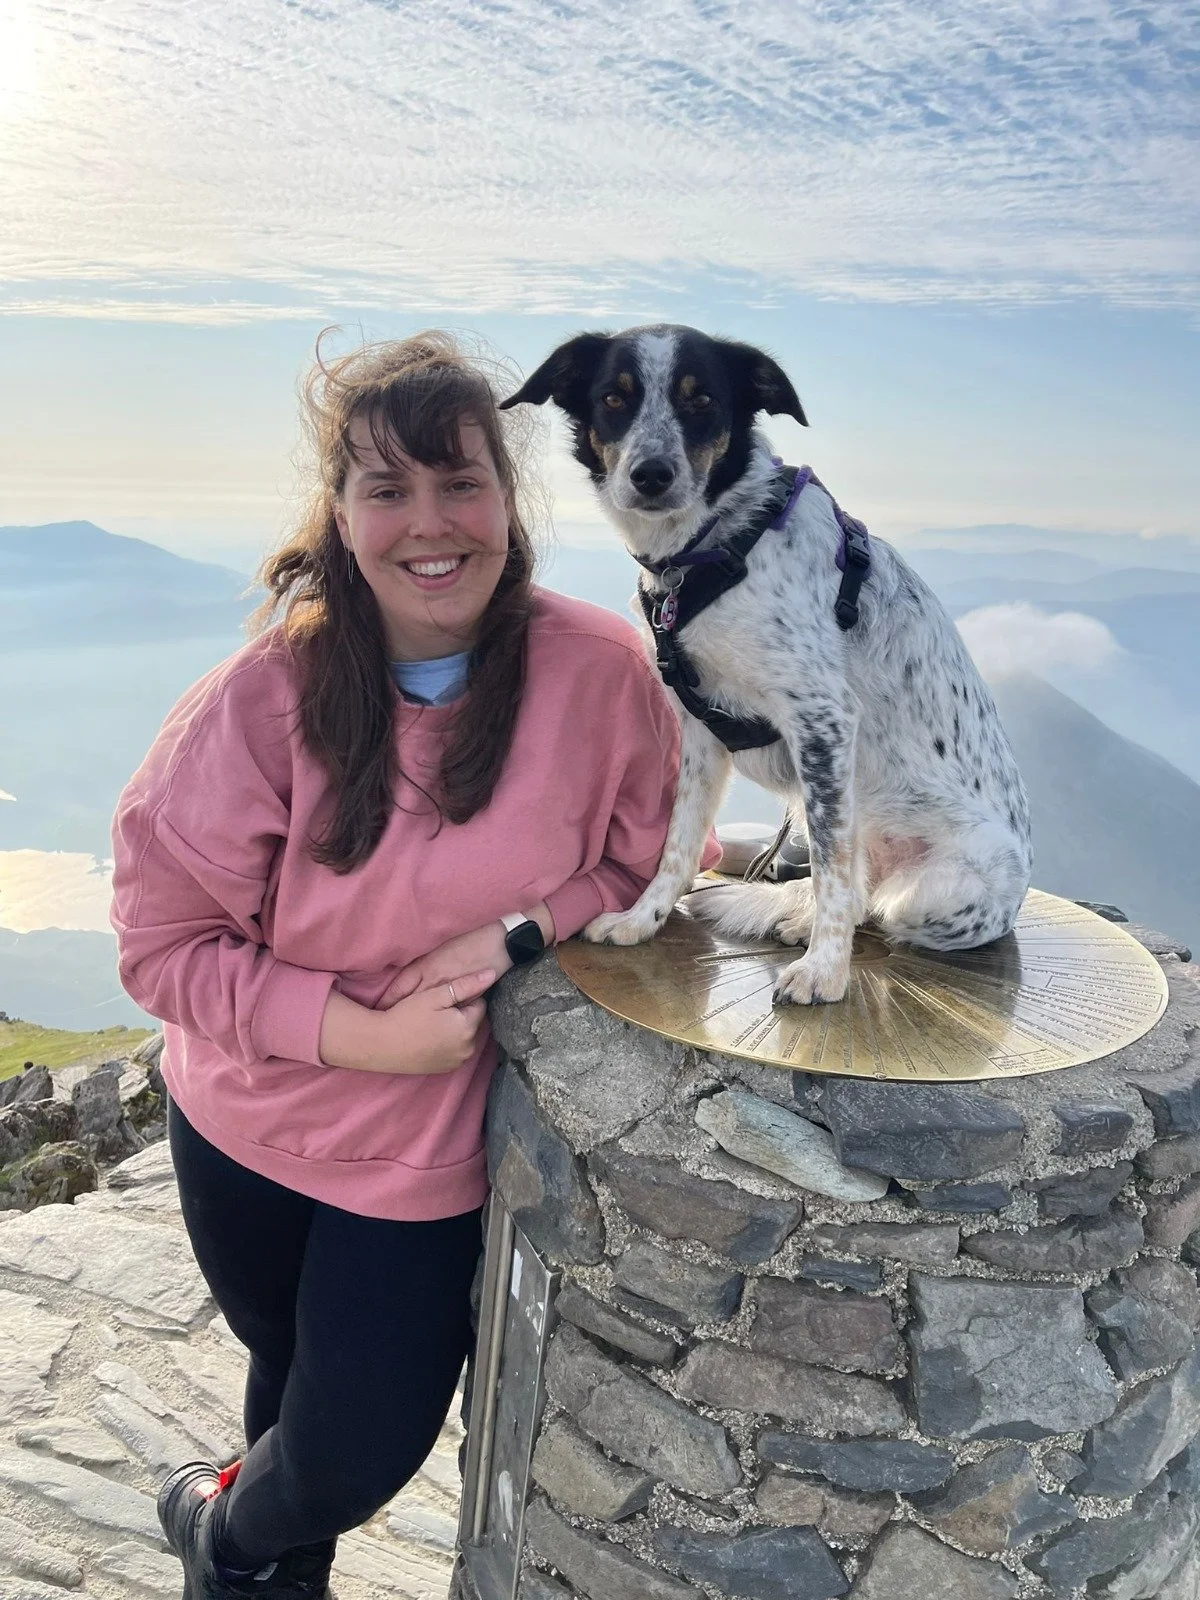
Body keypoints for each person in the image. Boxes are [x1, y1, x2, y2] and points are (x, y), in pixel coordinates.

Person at [109, 331, 717, 1599]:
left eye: (461, 482)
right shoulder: (259, 701)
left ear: (509, 500)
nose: (430, 523)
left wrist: (521, 930)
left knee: (353, 1448)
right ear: (341, 515)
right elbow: (162, 947)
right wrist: (363, 1033)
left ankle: (217, 1534)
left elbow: (656, 861)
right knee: (293, 1390)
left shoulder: (599, 672)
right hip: (243, 1125)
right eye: (388, 488)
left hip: (421, 1154)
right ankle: (265, 1576)